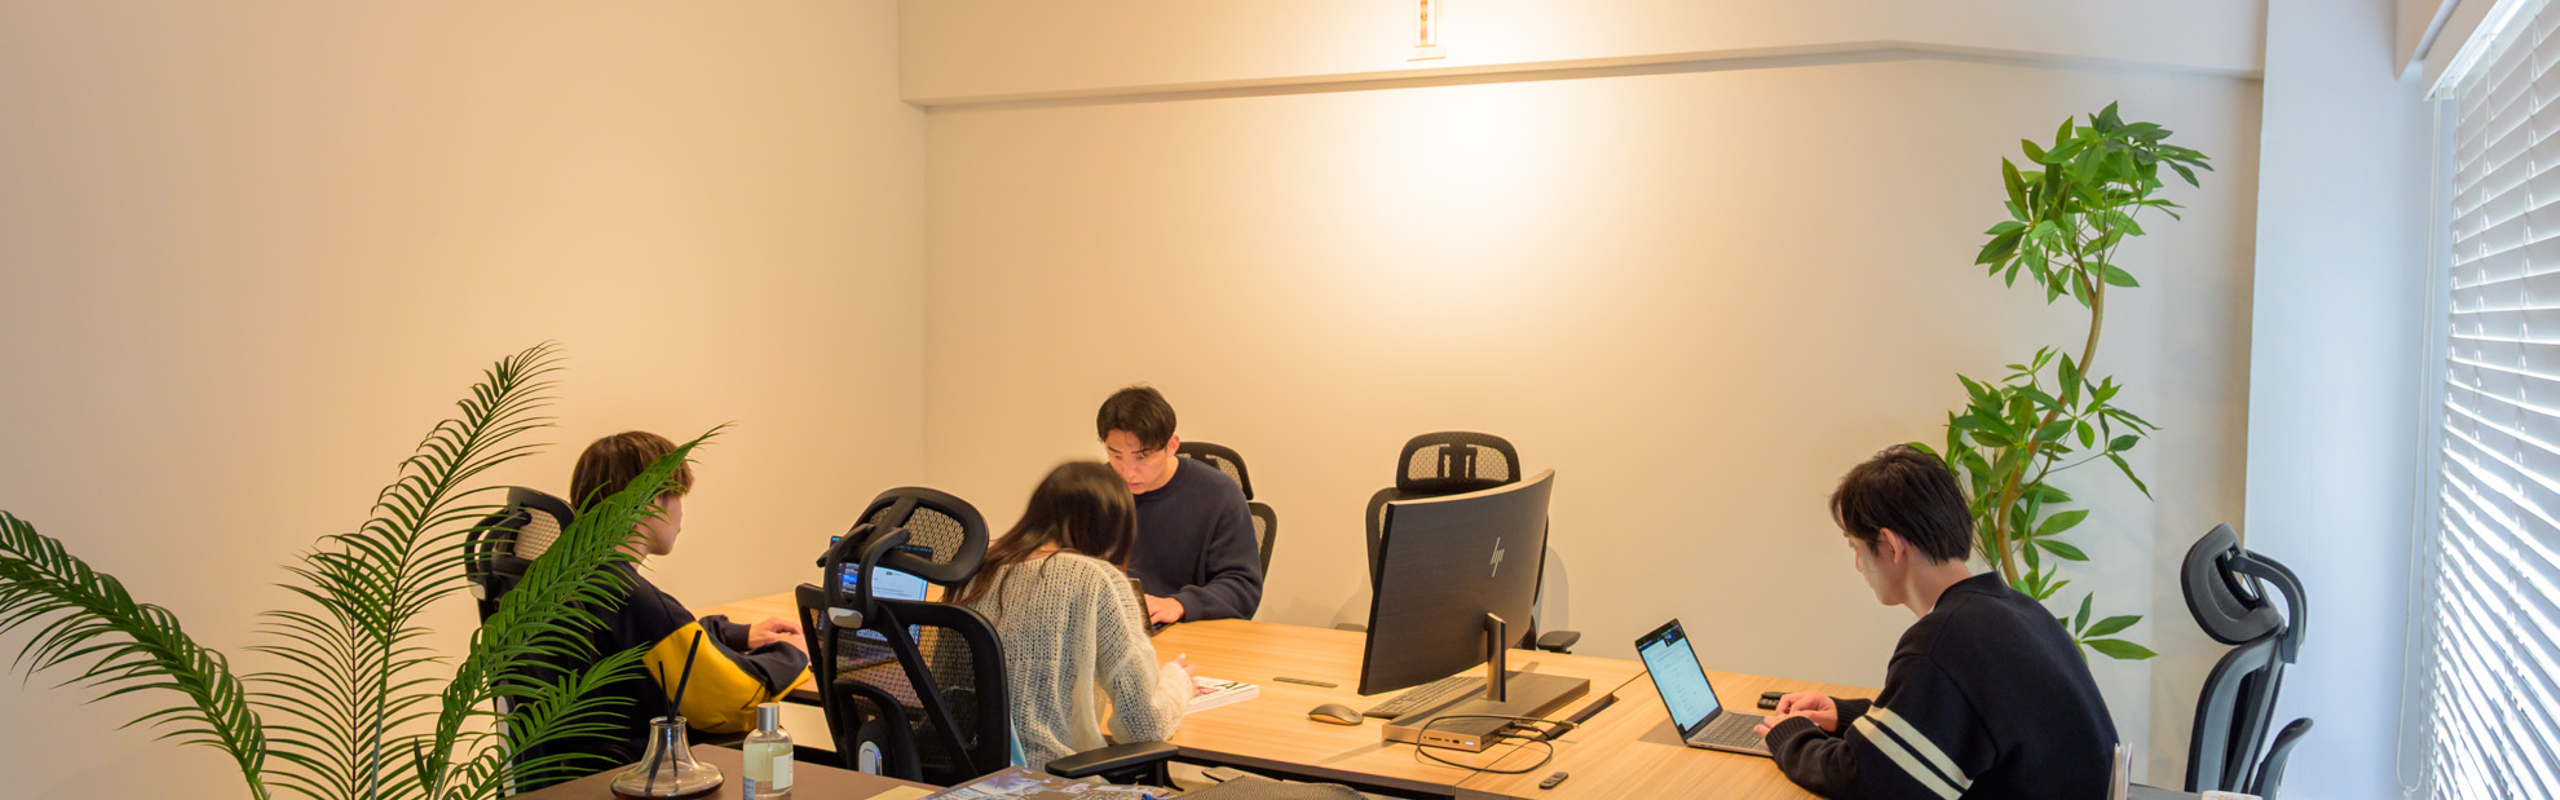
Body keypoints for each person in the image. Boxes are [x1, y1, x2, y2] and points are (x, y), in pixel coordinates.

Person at [1755, 445, 2117, 799]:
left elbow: (1865, 782)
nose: (1857, 566)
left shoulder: (1944, 640)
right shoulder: (2015, 611)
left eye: (1856, 548)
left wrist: (1790, 735)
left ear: (1890, 544)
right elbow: (1955, 727)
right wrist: (1846, 716)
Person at [541, 431, 811, 772]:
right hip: (642, 774)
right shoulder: (629, 596)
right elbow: (734, 698)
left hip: (578, 773)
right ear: (654, 501)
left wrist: (739, 635)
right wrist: (795, 653)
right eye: (679, 496)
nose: (681, 512)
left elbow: (670, 639)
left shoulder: (575, 578)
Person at [954, 461, 1195, 773]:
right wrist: (1177, 683)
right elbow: (1143, 727)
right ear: (1113, 526)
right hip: (1048, 781)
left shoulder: (976, 570)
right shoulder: (1096, 579)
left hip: (963, 779)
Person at [1095, 385, 1262, 624]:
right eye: (1116, 455)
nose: (1128, 472)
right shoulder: (1097, 491)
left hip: (1187, 628)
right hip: (1113, 626)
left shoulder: (1218, 494)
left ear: (1171, 446)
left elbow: (1243, 587)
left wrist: (1180, 604)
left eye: (1142, 457)